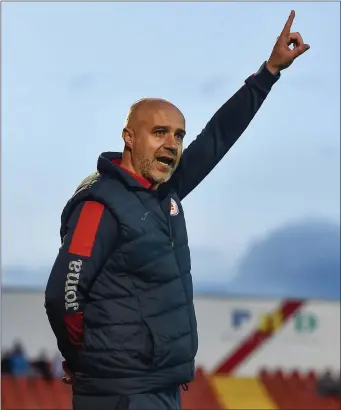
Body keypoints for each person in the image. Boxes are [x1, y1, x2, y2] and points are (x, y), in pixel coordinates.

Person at [45, 10, 309, 410]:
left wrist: (268, 72)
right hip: (120, 392)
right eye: (159, 132)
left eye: (179, 135)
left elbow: (218, 137)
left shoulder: (165, 192)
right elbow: (63, 297)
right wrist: (90, 359)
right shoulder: (100, 205)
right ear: (129, 138)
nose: (172, 143)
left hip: (163, 387)